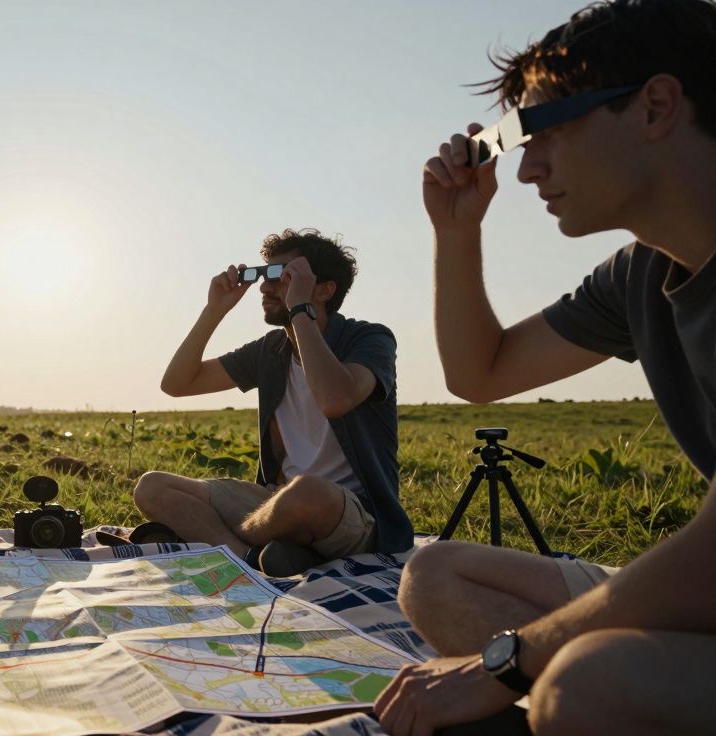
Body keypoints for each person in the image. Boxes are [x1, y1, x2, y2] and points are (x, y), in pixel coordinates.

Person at [374, 2, 716, 733]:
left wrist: (510, 661)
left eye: (541, 132)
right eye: (513, 143)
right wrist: (457, 230)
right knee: (435, 577)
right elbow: (480, 373)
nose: (526, 170)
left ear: (655, 106)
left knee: (589, 684)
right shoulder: (639, 277)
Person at [131, 229, 410, 576]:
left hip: (352, 513)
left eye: (282, 276)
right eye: (264, 275)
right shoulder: (270, 350)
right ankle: (252, 557)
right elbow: (177, 384)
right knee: (153, 487)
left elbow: (335, 399)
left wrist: (300, 312)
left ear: (323, 289)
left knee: (307, 493)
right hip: (275, 502)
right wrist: (214, 310)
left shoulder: (369, 339)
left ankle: (238, 544)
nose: (265, 287)